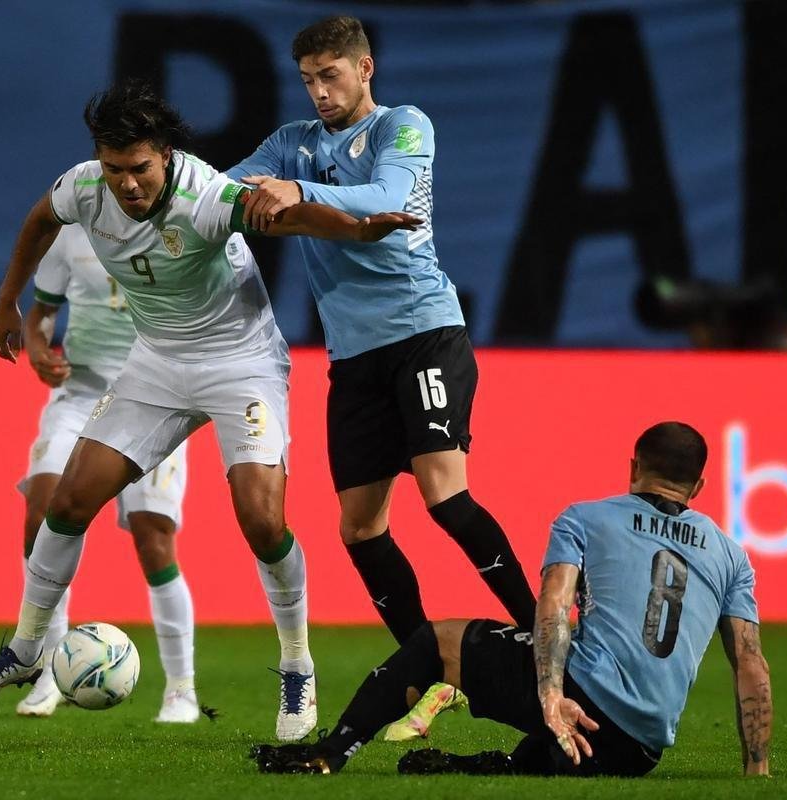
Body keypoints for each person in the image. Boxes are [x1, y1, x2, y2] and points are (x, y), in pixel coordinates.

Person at [0, 79, 421, 742]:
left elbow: (291, 218)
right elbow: (39, 220)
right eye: (115, 170)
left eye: (139, 169)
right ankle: (26, 650)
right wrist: (6, 303)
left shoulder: (206, 196)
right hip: (157, 365)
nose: (127, 185)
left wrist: (361, 227)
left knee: (261, 520)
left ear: (164, 155)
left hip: (241, 365)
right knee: (68, 503)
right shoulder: (85, 187)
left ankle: (296, 663)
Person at [226, 15, 536, 739]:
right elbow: (228, 193)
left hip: (424, 332)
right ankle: (426, 665)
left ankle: (545, 638)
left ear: (365, 68)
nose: (319, 91)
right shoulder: (291, 139)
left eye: (330, 75)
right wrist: (226, 191)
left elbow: (383, 199)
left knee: (443, 492)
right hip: (353, 357)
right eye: (308, 78)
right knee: (360, 528)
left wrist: (288, 191)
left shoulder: (402, 126)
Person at [251, 422, 773, 777]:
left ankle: (330, 752)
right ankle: (488, 765)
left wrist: (550, 696)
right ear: (699, 485)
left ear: (633, 466)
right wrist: (757, 771)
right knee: (560, 727)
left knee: (439, 640)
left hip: (577, 708)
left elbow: (551, 608)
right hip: (640, 749)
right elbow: (751, 665)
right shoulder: (732, 556)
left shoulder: (586, 518)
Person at [13, 224, 198, 723]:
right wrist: (37, 350)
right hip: (80, 395)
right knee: (42, 513)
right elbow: (42, 315)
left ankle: (181, 689)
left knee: (153, 538)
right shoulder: (70, 236)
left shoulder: (178, 228)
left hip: (154, 399)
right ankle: (52, 669)